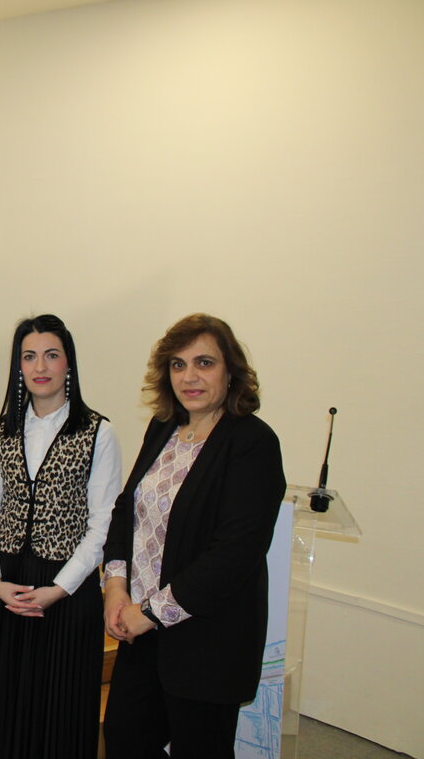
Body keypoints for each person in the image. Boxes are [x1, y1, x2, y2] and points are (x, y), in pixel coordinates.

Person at [101, 314, 286, 759]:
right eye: (178, 365)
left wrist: (152, 612)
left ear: (230, 371)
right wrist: (115, 585)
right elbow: (127, 509)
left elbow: (235, 553)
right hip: (141, 631)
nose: (189, 376)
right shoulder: (163, 427)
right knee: (124, 740)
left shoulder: (252, 442)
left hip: (207, 641)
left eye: (204, 362)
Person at [0, 314, 122, 758]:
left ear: (69, 364)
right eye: (29, 357)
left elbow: (102, 526)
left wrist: (58, 590)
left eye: (51, 355)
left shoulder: (98, 433)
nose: (40, 366)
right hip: (4, 587)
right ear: (19, 366)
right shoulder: (3, 430)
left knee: (58, 713)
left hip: (67, 593)